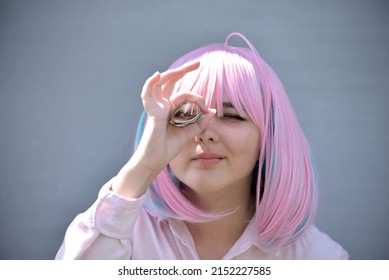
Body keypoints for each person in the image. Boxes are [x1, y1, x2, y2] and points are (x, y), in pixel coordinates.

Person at [55, 32, 348, 260]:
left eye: (232, 116)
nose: (204, 133)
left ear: (269, 136)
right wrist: (143, 168)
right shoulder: (123, 232)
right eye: (185, 116)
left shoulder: (317, 258)